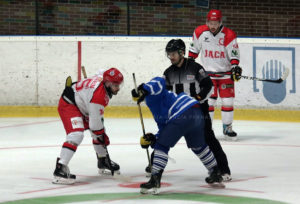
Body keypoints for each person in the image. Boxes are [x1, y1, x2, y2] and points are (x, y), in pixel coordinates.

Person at [131, 77, 224, 194]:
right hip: (195, 112)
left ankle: (155, 180)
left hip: (181, 113)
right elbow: (165, 129)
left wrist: (143, 89)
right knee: (198, 146)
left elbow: (160, 81)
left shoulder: (152, 94)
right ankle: (215, 171)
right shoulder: (158, 105)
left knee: (162, 146)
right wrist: (153, 138)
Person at [163, 39, 232, 181]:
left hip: (198, 109)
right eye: (169, 54)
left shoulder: (195, 68)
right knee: (165, 136)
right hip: (179, 112)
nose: (171, 57)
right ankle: (154, 166)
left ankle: (223, 170)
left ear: (182, 53)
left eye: (173, 54)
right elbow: (165, 93)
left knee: (208, 138)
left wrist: (198, 98)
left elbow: (208, 85)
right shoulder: (168, 73)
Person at [52, 67, 124, 184]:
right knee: (77, 135)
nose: (118, 88)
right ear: (107, 83)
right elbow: (95, 127)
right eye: (115, 85)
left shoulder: (103, 78)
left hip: (82, 103)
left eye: (118, 85)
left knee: (100, 130)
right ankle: (60, 168)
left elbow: (100, 71)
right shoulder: (98, 97)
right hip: (69, 104)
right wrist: (102, 136)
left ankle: (102, 160)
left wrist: (100, 133)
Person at [188, 9, 242, 141]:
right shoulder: (200, 32)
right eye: (210, 23)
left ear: (220, 22)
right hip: (207, 76)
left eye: (215, 23)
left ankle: (227, 128)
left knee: (228, 102)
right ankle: (207, 129)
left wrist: (235, 67)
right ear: (207, 22)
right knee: (209, 103)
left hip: (226, 75)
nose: (213, 25)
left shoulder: (229, 34)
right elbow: (194, 50)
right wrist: (189, 64)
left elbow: (234, 55)